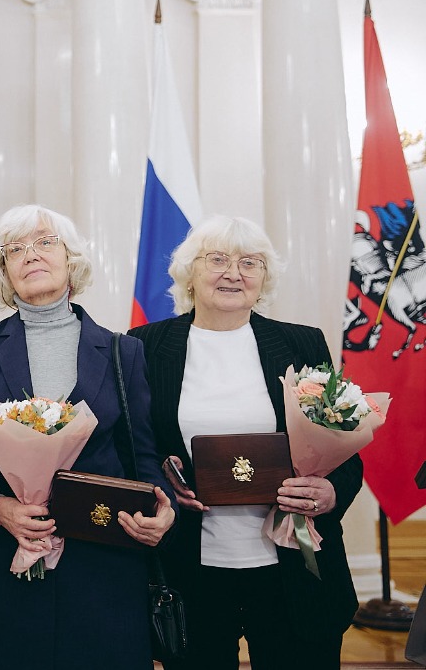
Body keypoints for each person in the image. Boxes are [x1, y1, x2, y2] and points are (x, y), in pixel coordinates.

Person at [128, 216, 360, 670]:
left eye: (249, 263)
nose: (234, 273)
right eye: (218, 259)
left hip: (293, 565)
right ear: (189, 272)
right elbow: (133, 445)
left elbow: (345, 442)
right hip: (191, 568)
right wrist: (161, 484)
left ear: (263, 278)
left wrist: (330, 493)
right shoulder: (145, 345)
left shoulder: (301, 342)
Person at [0, 204, 175, 669]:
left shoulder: (125, 351)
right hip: (9, 561)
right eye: (14, 249)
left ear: (71, 258)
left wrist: (165, 513)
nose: (30, 255)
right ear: (4, 271)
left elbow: (142, 454)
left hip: (106, 564)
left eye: (44, 242)